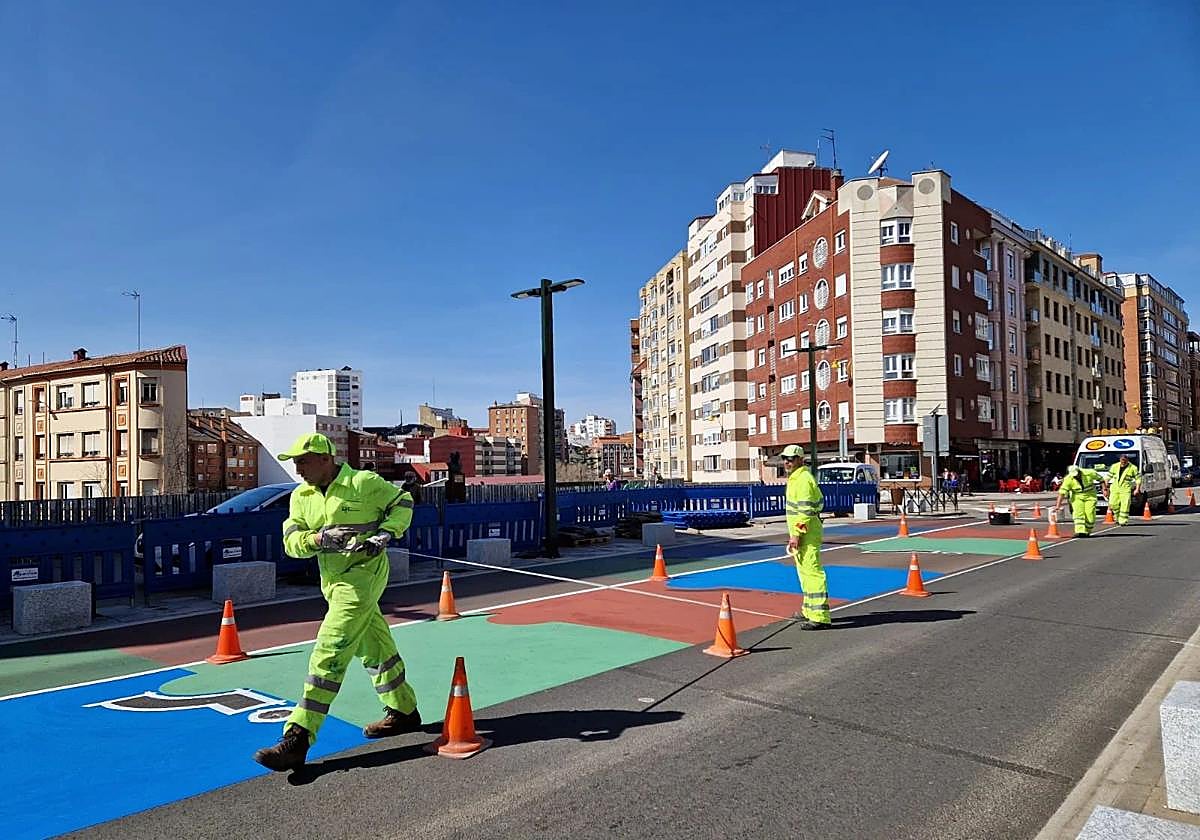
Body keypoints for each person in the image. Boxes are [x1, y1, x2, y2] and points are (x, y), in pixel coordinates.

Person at [253, 433, 420, 772]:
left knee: (330, 649)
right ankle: (404, 710)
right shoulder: (300, 496)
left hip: (364, 575)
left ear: (325, 459)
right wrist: (319, 539)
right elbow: (291, 543)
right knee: (375, 648)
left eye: (303, 461)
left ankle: (298, 736)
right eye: (295, 462)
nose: (297, 468)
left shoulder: (363, 483)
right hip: (332, 582)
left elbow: (403, 502)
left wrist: (385, 534)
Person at [782, 444, 830, 630]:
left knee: (812, 572)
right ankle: (809, 610)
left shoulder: (803, 479)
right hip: (804, 532)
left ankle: (820, 617)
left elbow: (805, 512)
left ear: (800, 460)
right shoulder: (797, 478)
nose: (787, 462)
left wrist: (796, 535)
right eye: (785, 458)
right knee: (805, 573)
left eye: (791, 459)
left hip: (806, 534)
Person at [1053, 464, 1102, 538]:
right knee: (1078, 514)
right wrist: (1058, 505)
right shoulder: (1068, 479)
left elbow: (1101, 479)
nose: (1075, 476)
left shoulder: (1089, 473)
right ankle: (1080, 531)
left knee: (1090, 514)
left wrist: (1104, 489)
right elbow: (1062, 493)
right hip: (1077, 497)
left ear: (1079, 471)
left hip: (1090, 496)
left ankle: (1087, 530)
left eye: (1076, 474)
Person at [1104, 454, 1142, 526]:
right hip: (1115, 488)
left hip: (1125, 489)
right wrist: (1105, 487)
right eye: (1122, 460)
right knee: (1113, 504)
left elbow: (1138, 479)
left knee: (1125, 505)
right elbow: (1108, 477)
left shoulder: (1133, 468)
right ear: (1120, 460)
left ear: (1127, 460)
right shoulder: (1115, 466)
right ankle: (1117, 517)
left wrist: (1137, 489)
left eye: (1125, 461)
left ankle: (1123, 521)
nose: (1123, 462)